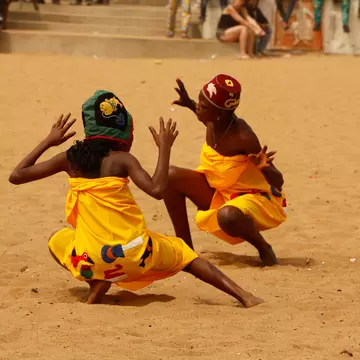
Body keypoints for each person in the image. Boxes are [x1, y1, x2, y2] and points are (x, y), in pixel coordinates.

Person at [8, 90, 264, 308]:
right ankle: (245, 296)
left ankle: (96, 280)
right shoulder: (123, 160)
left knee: (57, 239)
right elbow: (156, 190)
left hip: (91, 260)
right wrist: (164, 148)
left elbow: (17, 176)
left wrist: (48, 141)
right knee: (185, 255)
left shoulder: (70, 158)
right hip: (136, 254)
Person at [164, 75, 287, 267]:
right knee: (170, 175)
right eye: (199, 101)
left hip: (252, 197)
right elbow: (202, 116)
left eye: (203, 106)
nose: (198, 108)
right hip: (221, 189)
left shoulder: (243, 136)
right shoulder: (214, 119)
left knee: (228, 216)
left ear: (219, 114)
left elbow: (278, 182)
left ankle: (264, 248)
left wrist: (265, 169)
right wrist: (189, 103)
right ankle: (185, 249)